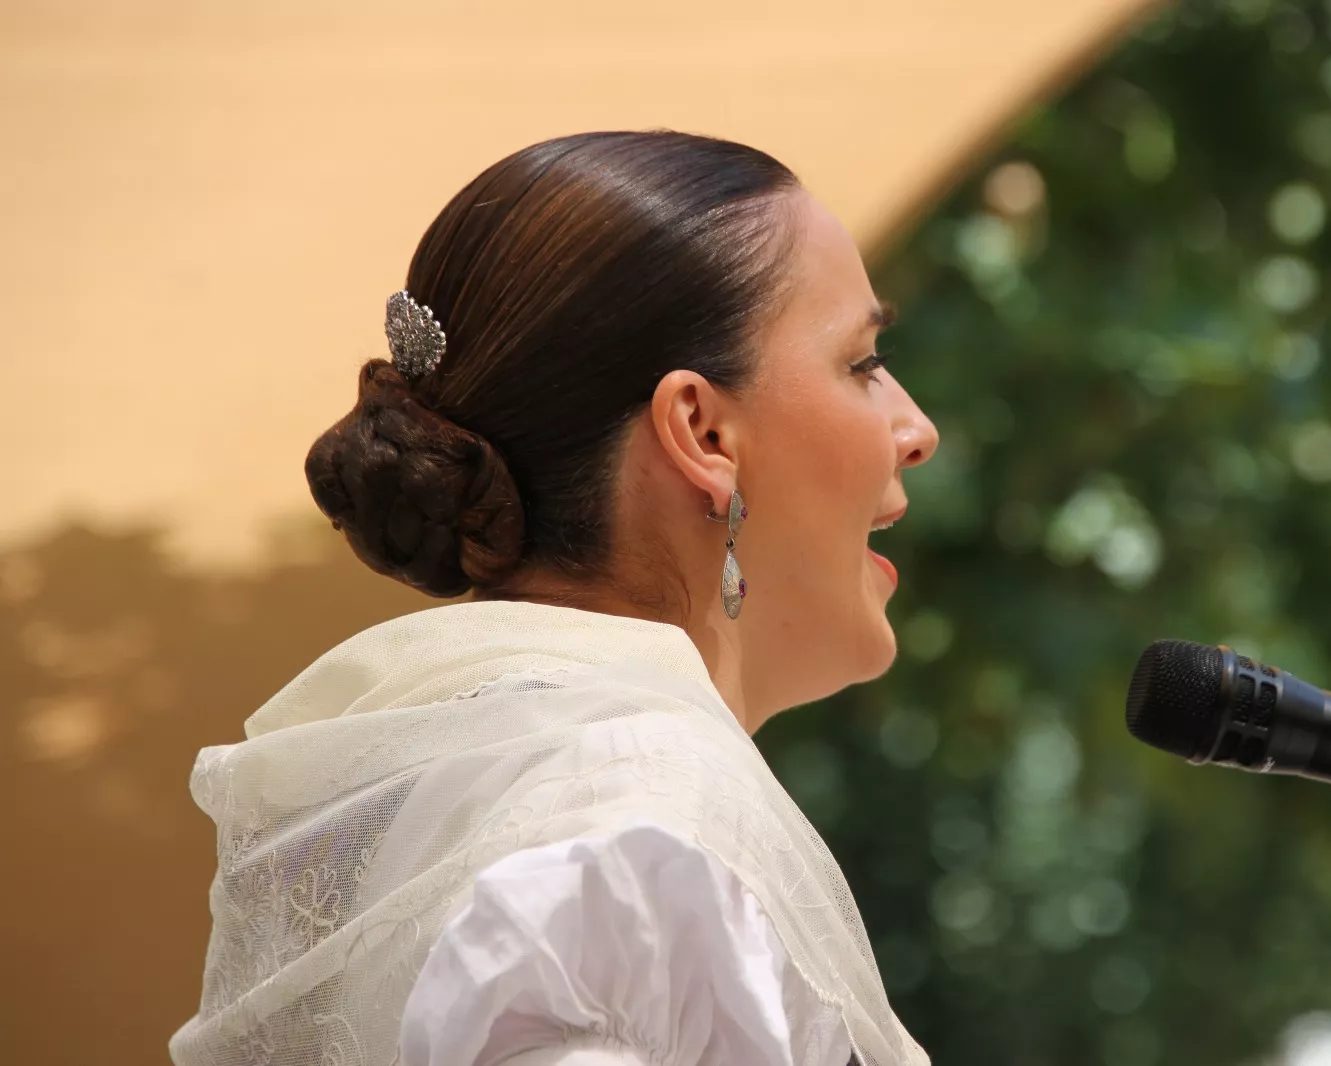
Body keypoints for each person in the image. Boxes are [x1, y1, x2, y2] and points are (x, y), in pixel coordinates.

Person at [170, 130, 939, 1066]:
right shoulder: (633, 837)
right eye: (860, 363)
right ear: (702, 432)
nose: (916, 428)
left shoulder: (448, 805)